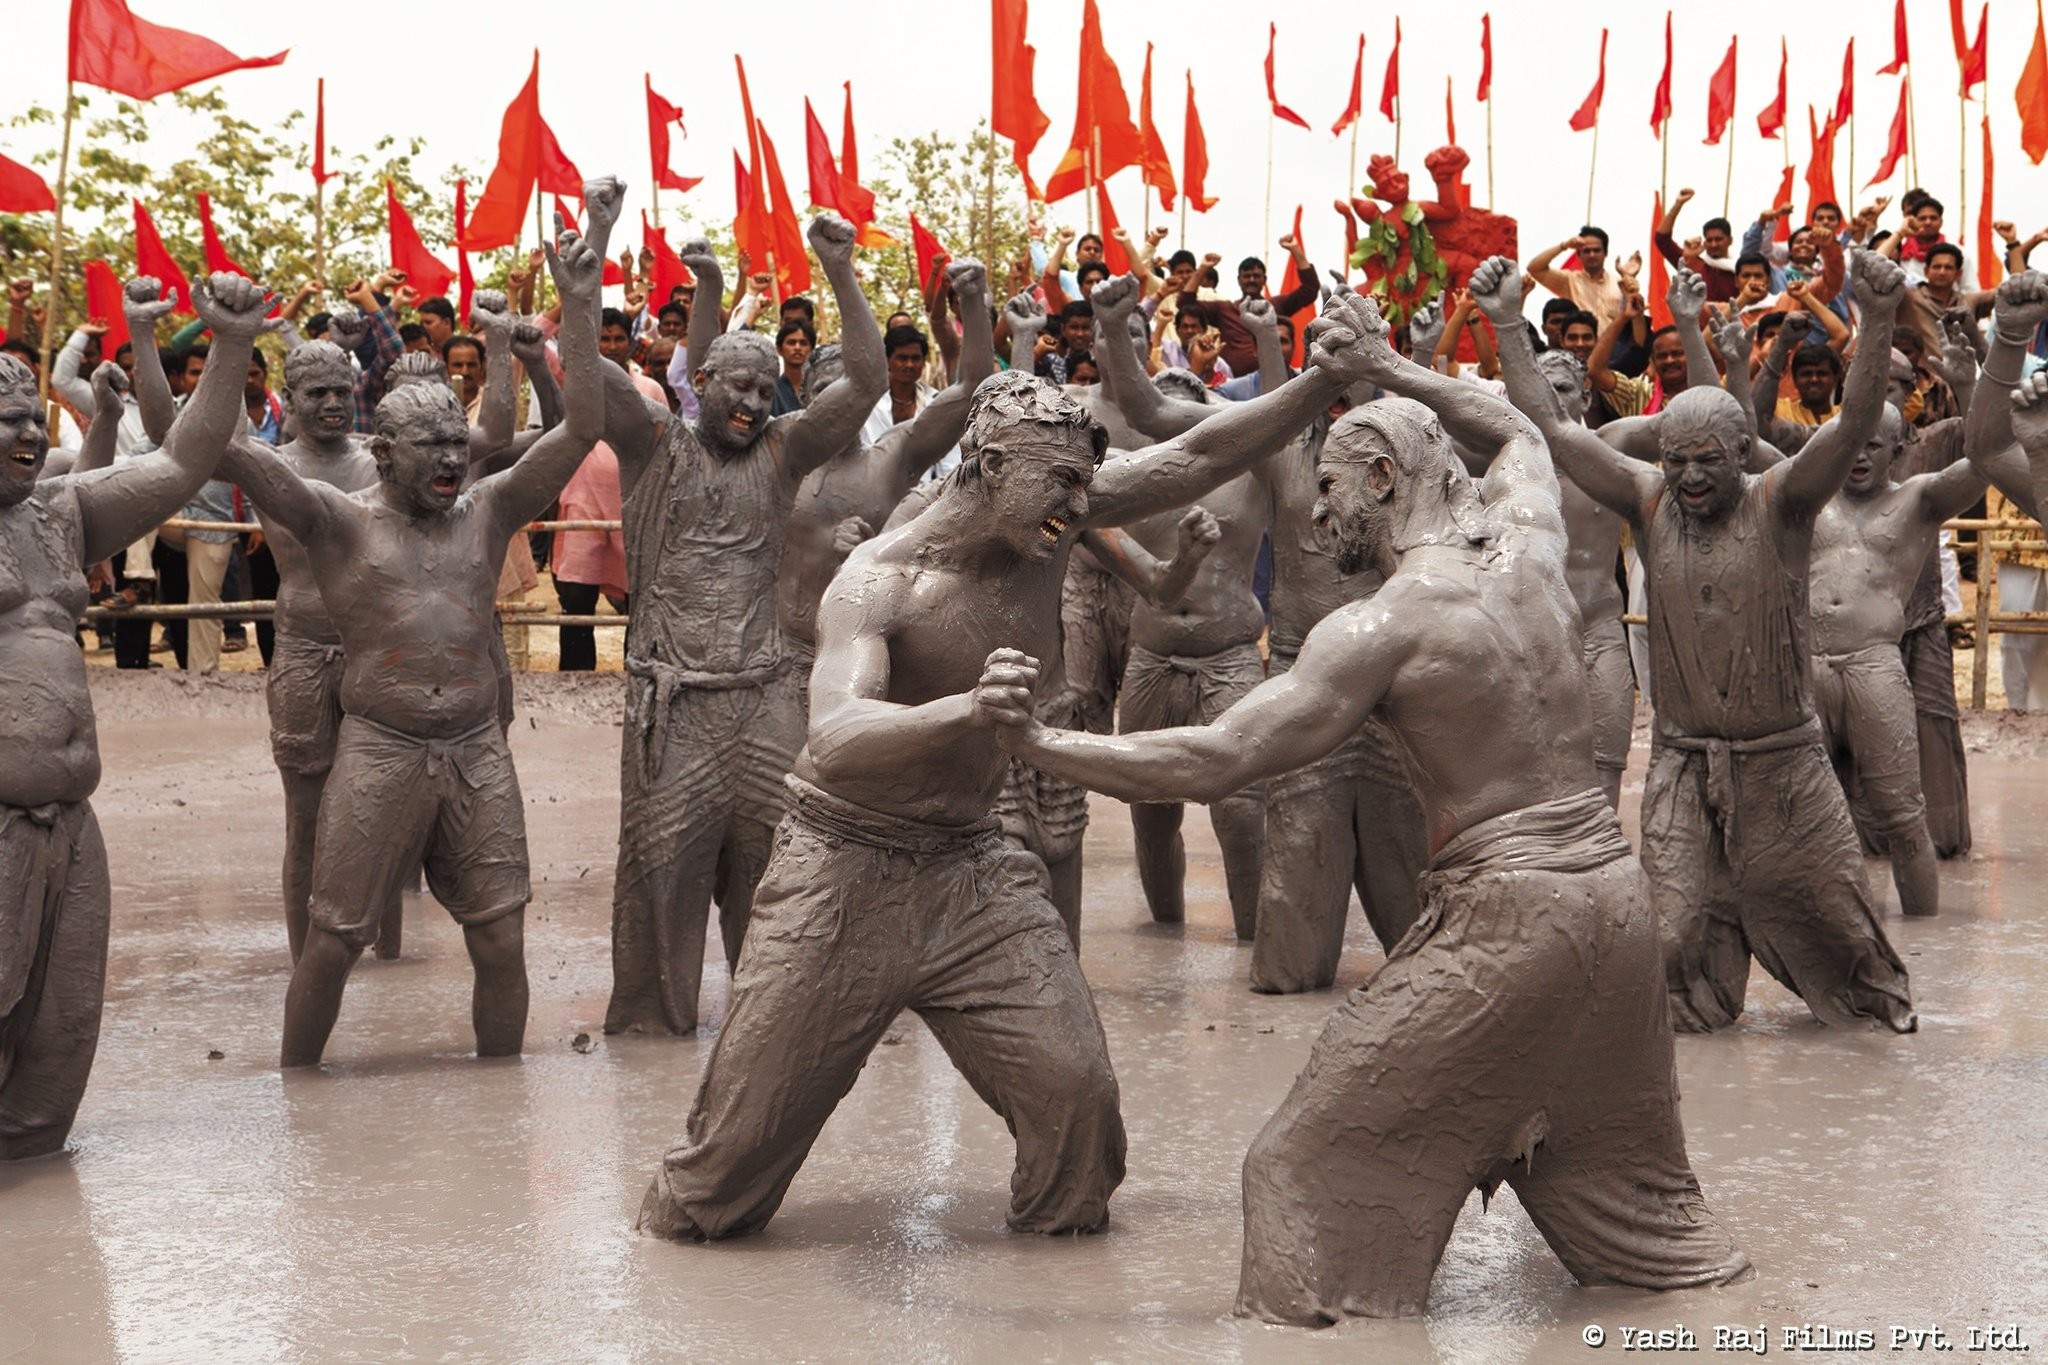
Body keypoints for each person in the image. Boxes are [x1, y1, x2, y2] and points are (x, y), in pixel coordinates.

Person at [981, 284, 1750, 1324]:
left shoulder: (1377, 627)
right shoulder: (1525, 543)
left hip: (1510, 923)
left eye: (1332, 490)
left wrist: (1037, 741)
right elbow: (1515, 428)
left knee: (1297, 1172)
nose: (1314, 514)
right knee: (1635, 1224)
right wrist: (1385, 365)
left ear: (1383, 478)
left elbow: (1217, 757)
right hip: (1613, 909)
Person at [636, 296, 1376, 1246]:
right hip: (842, 869)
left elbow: (1195, 456)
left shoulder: (1057, 515)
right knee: (718, 1182)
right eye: (1059, 487)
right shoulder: (882, 578)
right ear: (988, 469)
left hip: (972, 864)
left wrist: (1323, 379)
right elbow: (833, 736)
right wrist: (965, 710)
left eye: (1084, 487)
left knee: (1080, 1117)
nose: (1077, 508)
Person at [216, 181, 614, 1067]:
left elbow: (581, 422)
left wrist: (577, 306)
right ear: (382, 453)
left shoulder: (490, 507)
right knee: (334, 937)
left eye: (454, 446)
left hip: (475, 744)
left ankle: (500, 1100)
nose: (448, 459)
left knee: (500, 938)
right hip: (382, 743)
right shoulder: (337, 517)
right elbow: (222, 447)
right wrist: (232, 344)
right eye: (427, 448)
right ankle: (300, 1088)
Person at [1483, 250, 1917, 1034]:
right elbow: (1546, 427)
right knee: (1674, 938)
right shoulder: (1648, 501)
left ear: (1741, 456)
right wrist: (1510, 322)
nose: (1687, 479)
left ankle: (1874, 1044)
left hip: (1784, 762)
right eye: (1675, 461)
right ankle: (1695, 1069)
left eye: (1706, 463)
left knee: (1846, 946)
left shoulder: (1782, 502)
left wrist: (1878, 319)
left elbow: (1853, 424)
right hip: (1684, 762)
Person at [596, 214, 886, 1037]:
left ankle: (774, 1028)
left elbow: (864, 382)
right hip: (675, 702)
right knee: (661, 876)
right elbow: (590, 377)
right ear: (701, 379)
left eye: (768, 391)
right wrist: (587, 276)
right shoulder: (655, 446)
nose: (754, 405)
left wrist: (839, 271)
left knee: (779, 869)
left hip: (764, 696)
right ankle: (655, 1041)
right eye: (739, 387)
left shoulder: (783, 452)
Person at [0, 271, 268, 1158]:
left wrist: (228, 346)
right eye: (9, 424)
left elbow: (183, 462)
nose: (31, 436)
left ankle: (48, 1260)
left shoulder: (60, 512)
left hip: (73, 823)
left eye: (37, 419)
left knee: (59, 1045)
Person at [1808, 403, 1989, 919]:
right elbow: (1743, 442)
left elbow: (1985, 461)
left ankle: (1927, 943)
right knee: (1804, 812)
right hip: (1808, 664)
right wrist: (1732, 359)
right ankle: (1827, 931)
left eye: (1873, 444)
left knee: (1903, 814)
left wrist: (1973, 381)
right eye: (1852, 441)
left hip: (1872, 663)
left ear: (1898, 449)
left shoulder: (1918, 499)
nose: (1860, 455)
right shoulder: (1806, 494)